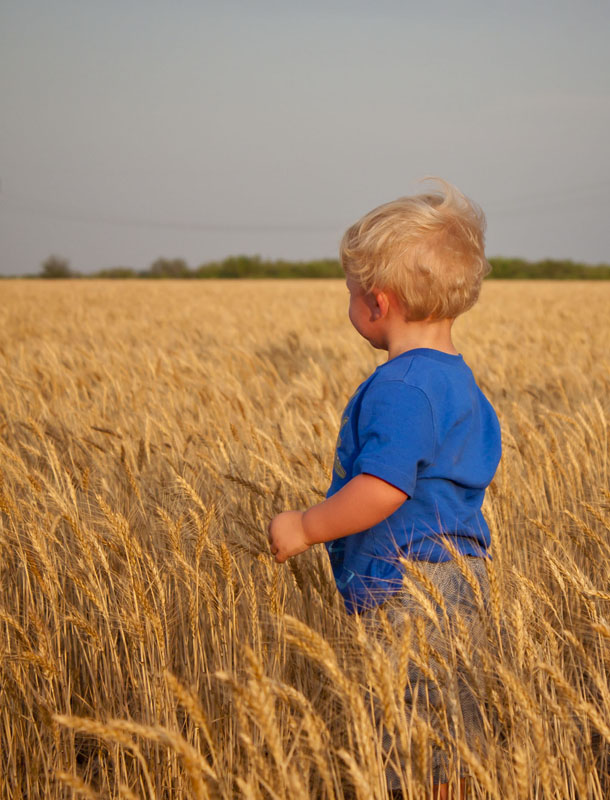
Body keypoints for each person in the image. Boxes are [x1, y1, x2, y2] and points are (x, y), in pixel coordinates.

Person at [268, 179, 502, 799]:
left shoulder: (401, 387)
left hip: (407, 584)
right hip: (459, 576)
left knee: (403, 734)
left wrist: (305, 526)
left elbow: (383, 488)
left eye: (349, 291)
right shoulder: (459, 382)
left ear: (378, 302)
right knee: (445, 731)